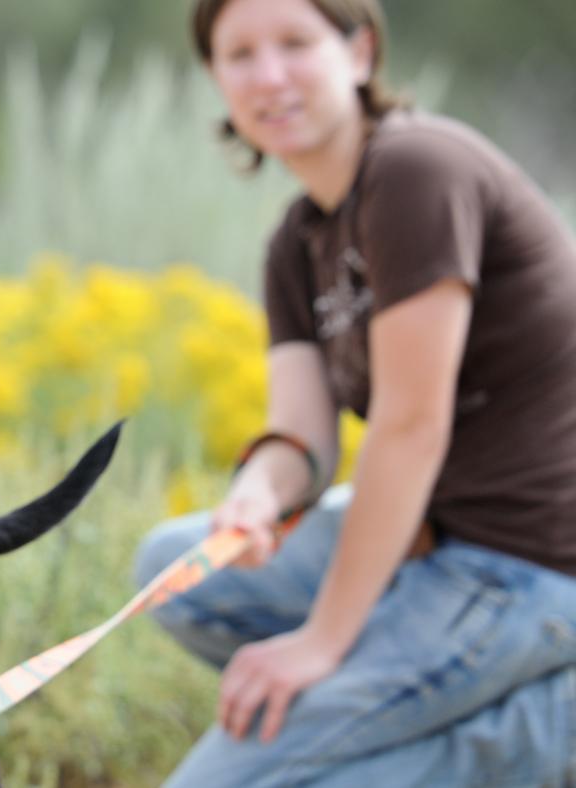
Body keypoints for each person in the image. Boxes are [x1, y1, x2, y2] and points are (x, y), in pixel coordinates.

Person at [134, 0, 576, 785]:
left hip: (531, 560)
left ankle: (546, 729)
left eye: (296, 43)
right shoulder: (297, 243)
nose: (269, 76)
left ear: (361, 51)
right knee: (177, 567)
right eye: (240, 55)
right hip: (432, 543)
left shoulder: (417, 171)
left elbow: (410, 425)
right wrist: (257, 492)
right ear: (217, 79)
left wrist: (323, 642)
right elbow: (303, 439)